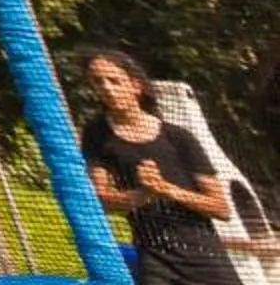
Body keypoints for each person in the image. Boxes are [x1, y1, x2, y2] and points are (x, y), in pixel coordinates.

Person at [81, 50, 247, 285]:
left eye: (114, 80)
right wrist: (143, 194)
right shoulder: (96, 134)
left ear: (135, 86)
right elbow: (101, 201)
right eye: (98, 82)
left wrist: (166, 189)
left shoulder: (179, 137)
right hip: (154, 256)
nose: (107, 88)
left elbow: (221, 208)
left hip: (204, 255)